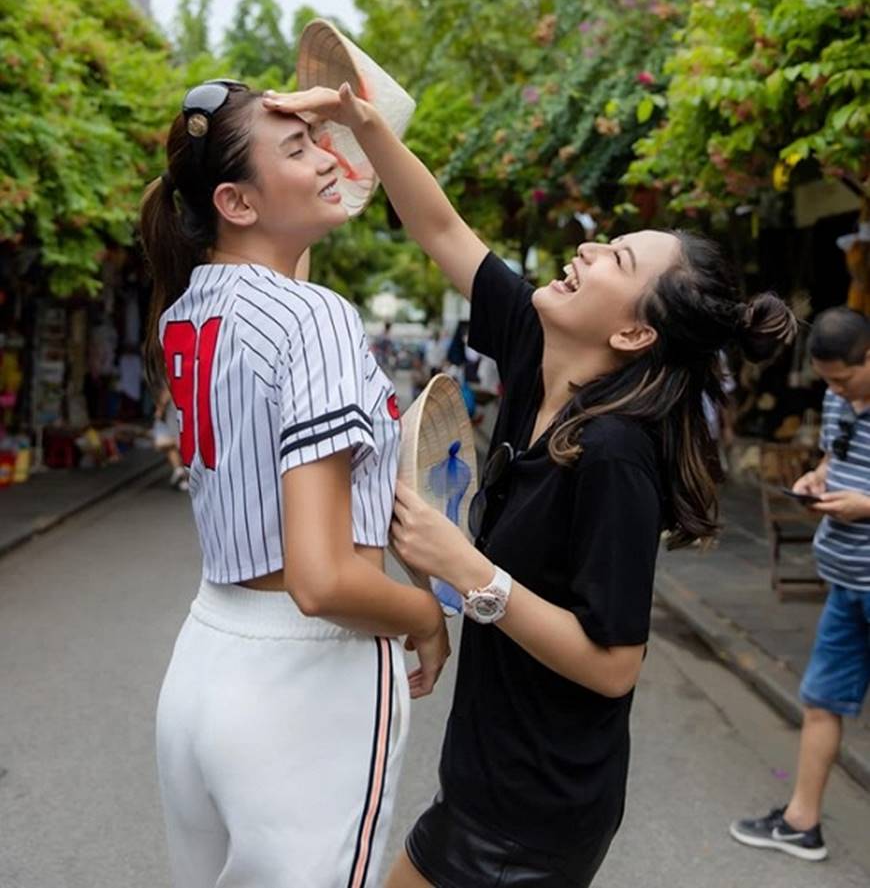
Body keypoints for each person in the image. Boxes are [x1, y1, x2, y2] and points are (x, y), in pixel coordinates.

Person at [263, 82, 796, 888]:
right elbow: (440, 225)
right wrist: (365, 126)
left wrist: (467, 568)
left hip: (531, 815)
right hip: (490, 779)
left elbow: (614, 663)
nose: (589, 249)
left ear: (633, 332)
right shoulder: (531, 351)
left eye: (616, 258)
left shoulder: (616, 452)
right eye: (607, 240)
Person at [139, 79, 449, 888]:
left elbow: (278, 254)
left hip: (205, 661)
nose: (324, 157)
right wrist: (429, 615)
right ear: (237, 201)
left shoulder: (189, 306)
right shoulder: (313, 318)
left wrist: (308, 128)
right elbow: (322, 579)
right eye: (300, 147)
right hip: (308, 679)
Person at [731, 306, 870, 863]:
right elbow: (838, 458)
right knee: (820, 702)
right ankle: (800, 823)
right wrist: (818, 478)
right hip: (843, 578)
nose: (837, 390)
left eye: (845, 379)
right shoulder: (838, 398)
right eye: (828, 381)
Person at [152, 384, 188, 491]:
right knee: (171, 447)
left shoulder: (168, 373)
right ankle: (180, 473)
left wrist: (160, 409)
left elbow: (169, 386)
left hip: (174, 411)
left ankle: (181, 473)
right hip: (173, 412)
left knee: (167, 444)